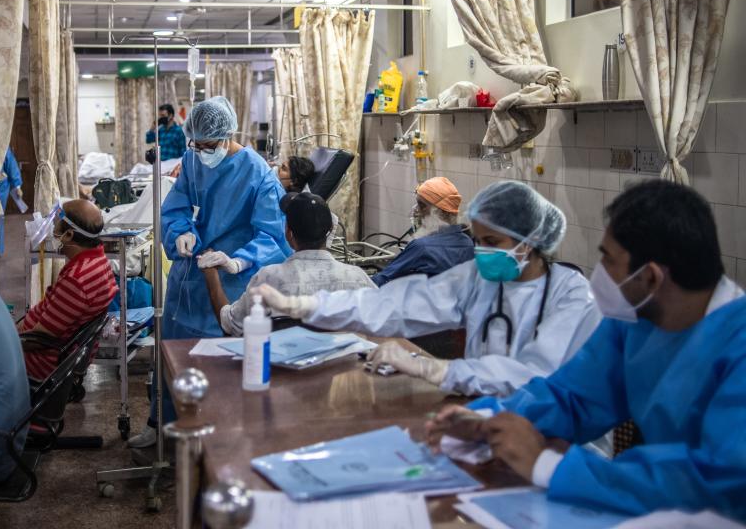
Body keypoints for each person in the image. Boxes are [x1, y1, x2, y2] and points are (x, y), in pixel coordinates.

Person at [425, 180, 746, 520]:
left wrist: (549, 466)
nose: (600, 274)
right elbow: (574, 397)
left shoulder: (735, 347)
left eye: (608, 260)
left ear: (651, 277)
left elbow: (718, 480)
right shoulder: (633, 323)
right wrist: (493, 421)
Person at [254, 180, 602, 397]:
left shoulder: (572, 296)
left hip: (561, 442)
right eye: (478, 241)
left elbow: (532, 375)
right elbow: (396, 305)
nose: (481, 252)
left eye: (492, 242)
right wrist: (307, 306)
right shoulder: (479, 280)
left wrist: (433, 368)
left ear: (530, 241)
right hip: (487, 417)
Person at [127, 95, 291, 449]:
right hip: (188, 278)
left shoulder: (258, 172)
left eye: (208, 145)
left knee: (222, 364)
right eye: (196, 145)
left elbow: (272, 233)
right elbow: (176, 207)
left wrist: (239, 261)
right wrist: (180, 232)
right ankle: (163, 425)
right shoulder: (192, 159)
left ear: (228, 134)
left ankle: (221, 437)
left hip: (232, 284)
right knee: (172, 354)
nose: (201, 152)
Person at [203, 192, 374, 335]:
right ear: (330, 232)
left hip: (282, 372)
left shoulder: (269, 278)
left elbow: (230, 324)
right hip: (342, 370)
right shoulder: (357, 277)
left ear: (289, 234)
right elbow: (381, 320)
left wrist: (211, 276)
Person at [18, 199, 118, 380]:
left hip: (40, 362)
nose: (53, 229)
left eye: (57, 223)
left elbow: (39, 337)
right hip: (57, 353)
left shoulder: (77, 280)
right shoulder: (99, 259)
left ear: (69, 235)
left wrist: (6, 342)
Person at [371, 176, 474, 286]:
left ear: (438, 212)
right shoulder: (468, 243)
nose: (416, 210)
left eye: (421, 205)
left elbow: (382, 279)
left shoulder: (422, 247)